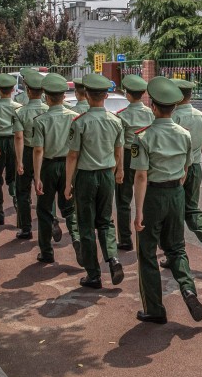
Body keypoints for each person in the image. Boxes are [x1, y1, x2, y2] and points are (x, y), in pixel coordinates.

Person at [131, 76, 202, 324]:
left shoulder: (143, 137)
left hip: (153, 194)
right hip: (176, 193)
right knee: (176, 248)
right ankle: (188, 288)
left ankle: (154, 308)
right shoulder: (184, 134)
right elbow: (186, 169)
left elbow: (141, 176)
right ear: (174, 107)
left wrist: (139, 211)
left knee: (148, 252)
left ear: (153, 106)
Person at [65, 73, 125, 288]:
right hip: (107, 174)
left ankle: (94, 274)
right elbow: (119, 150)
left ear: (87, 96)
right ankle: (113, 258)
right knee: (106, 220)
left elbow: (72, 155)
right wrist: (119, 171)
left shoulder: (80, 122)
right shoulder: (116, 121)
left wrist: (67, 184)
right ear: (106, 96)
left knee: (86, 225)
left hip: (86, 176)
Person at [170, 78, 202, 269]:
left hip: (176, 169)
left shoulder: (173, 118)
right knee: (192, 207)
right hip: (196, 166)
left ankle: (175, 254)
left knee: (174, 212)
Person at [31, 73, 81, 263]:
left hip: (50, 165)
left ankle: (46, 251)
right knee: (70, 207)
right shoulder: (76, 117)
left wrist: (37, 177)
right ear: (64, 96)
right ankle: (76, 238)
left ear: (46, 96)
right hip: (70, 164)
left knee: (44, 209)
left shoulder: (41, 120)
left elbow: (38, 150)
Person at [114, 74, 152, 250]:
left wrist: (119, 168)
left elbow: (120, 144)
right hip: (147, 157)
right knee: (146, 198)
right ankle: (146, 237)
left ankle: (125, 240)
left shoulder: (122, 115)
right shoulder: (151, 113)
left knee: (123, 200)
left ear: (128, 95)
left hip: (129, 156)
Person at [14, 69, 47, 239]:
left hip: (27, 151)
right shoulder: (49, 110)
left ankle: (26, 228)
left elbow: (19, 137)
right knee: (46, 191)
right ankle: (50, 221)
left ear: (28, 91)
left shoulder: (21, 112)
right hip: (46, 153)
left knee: (23, 192)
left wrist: (19, 161)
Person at [0, 73, 21, 226]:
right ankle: (19, 208)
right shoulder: (19, 107)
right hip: (14, 141)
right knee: (14, 178)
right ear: (13, 90)